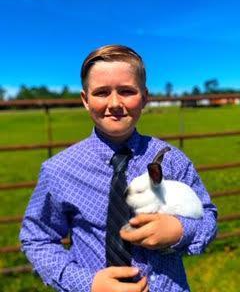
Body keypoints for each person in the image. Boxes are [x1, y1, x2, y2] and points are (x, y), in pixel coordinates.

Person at [20, 44, 217, 292]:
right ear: (85, 99)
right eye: (102, 92)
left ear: (144, 97)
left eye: (126, 91)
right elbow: (37, 238)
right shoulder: (59, 170)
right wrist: (87, 284)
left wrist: (180, 230)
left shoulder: (172, 160)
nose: (114, 103)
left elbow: (208, 217)